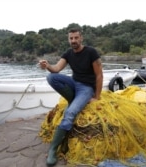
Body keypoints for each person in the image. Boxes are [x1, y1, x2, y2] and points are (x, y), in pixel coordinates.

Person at [39, 28, 103, 166]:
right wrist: (47, 65)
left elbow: (99, 75)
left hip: (86, 88)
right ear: (69, 40)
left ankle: (53, 149)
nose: (73, 41)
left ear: (81, 38)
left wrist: (97, 96)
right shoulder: (68, 53)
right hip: (74, 83)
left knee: (70, 112)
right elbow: (56, 69)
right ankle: (73, 99)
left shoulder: (91, 52)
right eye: (71, 38)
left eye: (76, 38)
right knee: (51, 77)